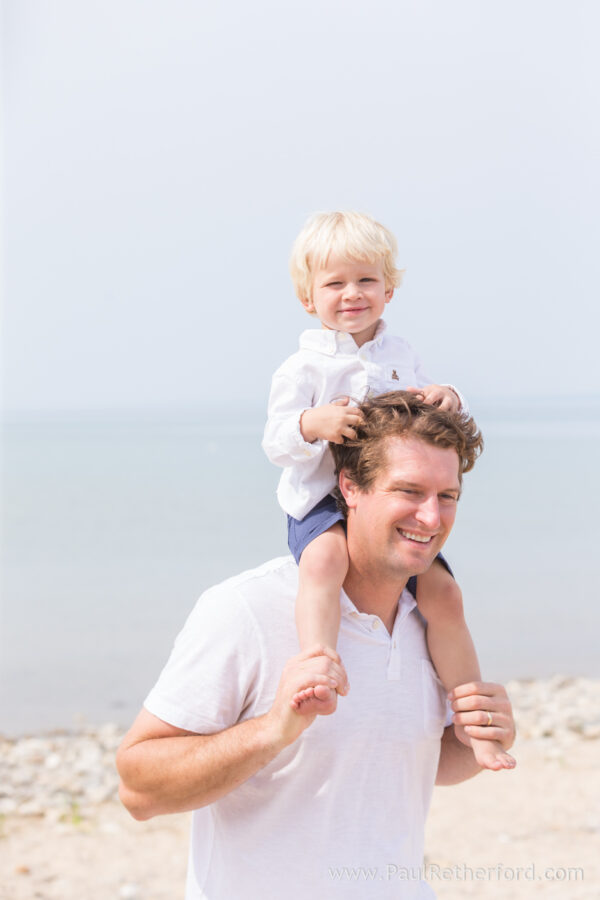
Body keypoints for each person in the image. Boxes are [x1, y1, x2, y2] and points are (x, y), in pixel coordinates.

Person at [117, 392, 516, 900]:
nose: (432, 517)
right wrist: (272, 731)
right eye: (409, 491)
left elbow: (407, 763)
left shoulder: (434, 620)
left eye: (447, 496)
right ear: (350, 486)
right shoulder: (246, 609)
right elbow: (138, 789)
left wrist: (476, 737)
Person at [262, 210, 514, 770]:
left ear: (389, 290)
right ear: (308, 298)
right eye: (334, 283)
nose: (352, 293)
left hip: (387, 501)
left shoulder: (399, 355)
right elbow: (276, 441)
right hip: (322, 499)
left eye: (366, 280)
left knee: (445, 595)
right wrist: (313, 424)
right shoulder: (302, 368)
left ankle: (474, 719)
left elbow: (428, 413)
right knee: (325, 561)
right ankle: (320, 663)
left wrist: (449, 395)